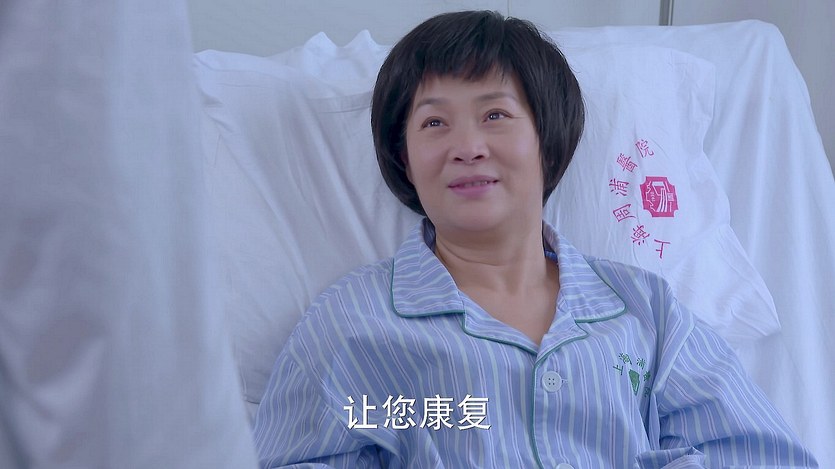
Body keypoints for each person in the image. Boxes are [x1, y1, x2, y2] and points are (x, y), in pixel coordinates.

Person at [252, 10, 817, 468]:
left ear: (547, 139)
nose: (467, 147)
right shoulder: (352, 322)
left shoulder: (646, 311)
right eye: (434, 123)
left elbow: (763, 455)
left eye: (495, 115)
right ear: (404, 157)